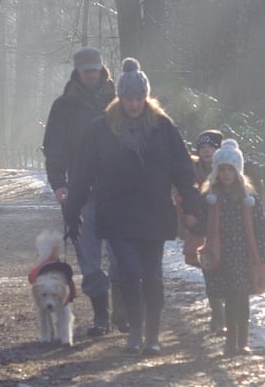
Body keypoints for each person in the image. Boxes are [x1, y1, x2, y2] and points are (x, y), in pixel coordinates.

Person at [63, 57, 201, 355]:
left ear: (146, 97)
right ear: (120, 97)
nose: (134, 104)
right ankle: (135, 332)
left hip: (154, 213)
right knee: (128, 269)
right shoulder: (100, 129)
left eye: (139, 98)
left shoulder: (163, 128)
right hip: (117, 214)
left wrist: (191, 205)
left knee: (152, 274)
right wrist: (72, 210)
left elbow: (182, 169)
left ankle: (152, 334)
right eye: (129, 98)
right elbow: (82, 172)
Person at [41, 46, 122, 336]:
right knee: (88, 254)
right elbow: (54, 148)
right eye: (86, 69)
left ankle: (122, 308)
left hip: (116, 188)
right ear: (78, 71)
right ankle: (102, 314)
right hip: (79, 190)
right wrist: (59, 184)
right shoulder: (62, 107)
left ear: (102, 69)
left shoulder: (119, 102)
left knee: (120, 251)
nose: (91, 74)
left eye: (95, 68)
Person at [198, 138, 265, 357]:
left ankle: (242, 340)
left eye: (230, 170)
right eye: (222, 170)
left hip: (244, 255)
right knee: (231, 296)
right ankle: (231, 342)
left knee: (242, 297)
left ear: (238, 171)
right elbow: (202, 223)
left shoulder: (249, 198)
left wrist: (264, 251)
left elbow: (262, 225)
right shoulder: (211, 197)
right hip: (222, 255)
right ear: (216, 171)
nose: (226, 175)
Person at [177, 129, 225, 333]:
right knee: (209, 268)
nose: (206, 151)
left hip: (225, 227)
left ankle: (227, 313)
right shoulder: (192, 171)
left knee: (226, 268)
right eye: (203, 148)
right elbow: (181, 194)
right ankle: (217, 313)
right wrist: (186, 214)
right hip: (201, 227)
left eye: (211, 147)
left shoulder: (227, 170)